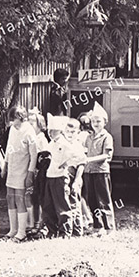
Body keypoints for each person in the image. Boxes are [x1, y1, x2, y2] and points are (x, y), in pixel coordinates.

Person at [43, 115, 85, 238]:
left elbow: (79, 158)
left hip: (60, 177)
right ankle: (52, 230)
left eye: (53, 130)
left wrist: (66, 164)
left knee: (63, 205)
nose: (50, 133)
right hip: (50, 176)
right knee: (48, 206)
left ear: (60, 131)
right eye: (49, 130)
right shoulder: (51, 144)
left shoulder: (65, 143)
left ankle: (65, 232)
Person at [2, 106, 38, 241]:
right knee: (9, 197)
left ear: (21, 118)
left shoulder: (29, 131)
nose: (13, 123)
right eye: (11, 120)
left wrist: (30, 174)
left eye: (15, 120)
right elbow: (8, 148)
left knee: (20, 198)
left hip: (23, 168)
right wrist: (5, 165)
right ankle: (13, 230)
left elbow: (33, 155)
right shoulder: (12, 129)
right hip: (12, 167)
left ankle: (22, 232)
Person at [83, 102, 116, 235]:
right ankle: (98, 226)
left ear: (105, 122)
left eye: (98, 121)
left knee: (103, 200)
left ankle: (109, 228)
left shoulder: (107, 137)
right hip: (88, 171)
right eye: (93, 121)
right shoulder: (88, 137)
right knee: (92, 200)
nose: (96, 124)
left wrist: (89, 159)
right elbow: (84, 152)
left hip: (101, 172)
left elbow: (107, 155)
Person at [28, 108, 50, 236]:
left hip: (40, 172)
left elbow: (43, 157)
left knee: (40, 198)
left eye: (33, 122)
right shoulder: (31, 137)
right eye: (29, 121)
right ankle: (34, 223)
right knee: (33, 198)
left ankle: (42, 223)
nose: (30, 124)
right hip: (33, 170)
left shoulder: (41, 138)